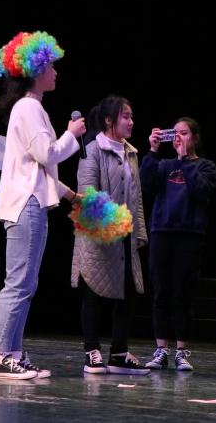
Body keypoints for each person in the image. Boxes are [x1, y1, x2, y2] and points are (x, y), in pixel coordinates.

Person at [0, 32, 85, 380]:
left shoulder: (30, 108)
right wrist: (71, 133)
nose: (56, 72)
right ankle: (1, 356)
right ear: (36, 70)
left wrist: (70, 195)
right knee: (19, 283)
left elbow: (38, 169)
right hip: (26, 205)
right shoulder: (29, 108)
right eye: (51, 66)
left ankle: (11, 351)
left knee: (26, 283)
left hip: (32, 202)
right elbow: (47, 154)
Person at [74, 95, 150, 375]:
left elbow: (137, 195)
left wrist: (139, 230)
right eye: (125, 117)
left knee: (128, 291)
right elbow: (87, 194)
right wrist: (113, 222)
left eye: (131, 116)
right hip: (97, 232)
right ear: (109, 120)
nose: (131, 122)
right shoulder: (92, 150)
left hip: (126, 234)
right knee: (93, 290)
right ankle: (91, 350)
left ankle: (119, 352)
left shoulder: (131, 152)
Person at [140, 118, 216, 371]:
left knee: (183, 293)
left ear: (194, 137)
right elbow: (146, 184)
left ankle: (182, 351)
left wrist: (185, 160)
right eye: (175, 133)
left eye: (184, 133)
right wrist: (153, 150)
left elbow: (200, 191)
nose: (178, 138)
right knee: (161, 291)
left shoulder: (206, 166)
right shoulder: (164, 165)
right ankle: (161, 349)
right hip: (162, 232)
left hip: (189, 234)